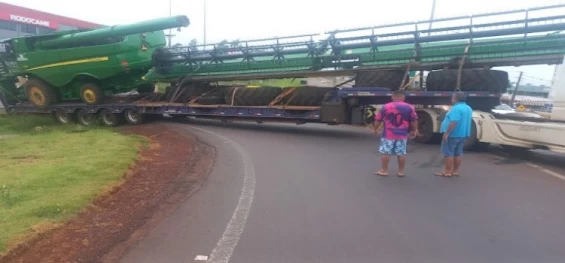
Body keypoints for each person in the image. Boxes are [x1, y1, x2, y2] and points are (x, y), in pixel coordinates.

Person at [372, 91, 418, 177]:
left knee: (386, 152)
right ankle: (400, 172)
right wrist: (414, 130)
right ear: (403, 98)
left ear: (393, 97)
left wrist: (375, 129)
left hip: (388, 134)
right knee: (401, 153)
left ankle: (384, 170)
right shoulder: (409, 107)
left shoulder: (386, 106)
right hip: (402, 134)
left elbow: (378, 119)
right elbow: (413, 120)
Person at [436, 91, 473, 177]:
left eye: (452, 97)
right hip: (463, 134)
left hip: (453, 134)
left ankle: (447, 171)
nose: (451, 99)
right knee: (458, 153)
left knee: (448, 153)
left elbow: (454, 121)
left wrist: (447, 133)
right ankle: (455, 171)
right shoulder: (468, 108)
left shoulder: (456, 108)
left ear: (456, 99)